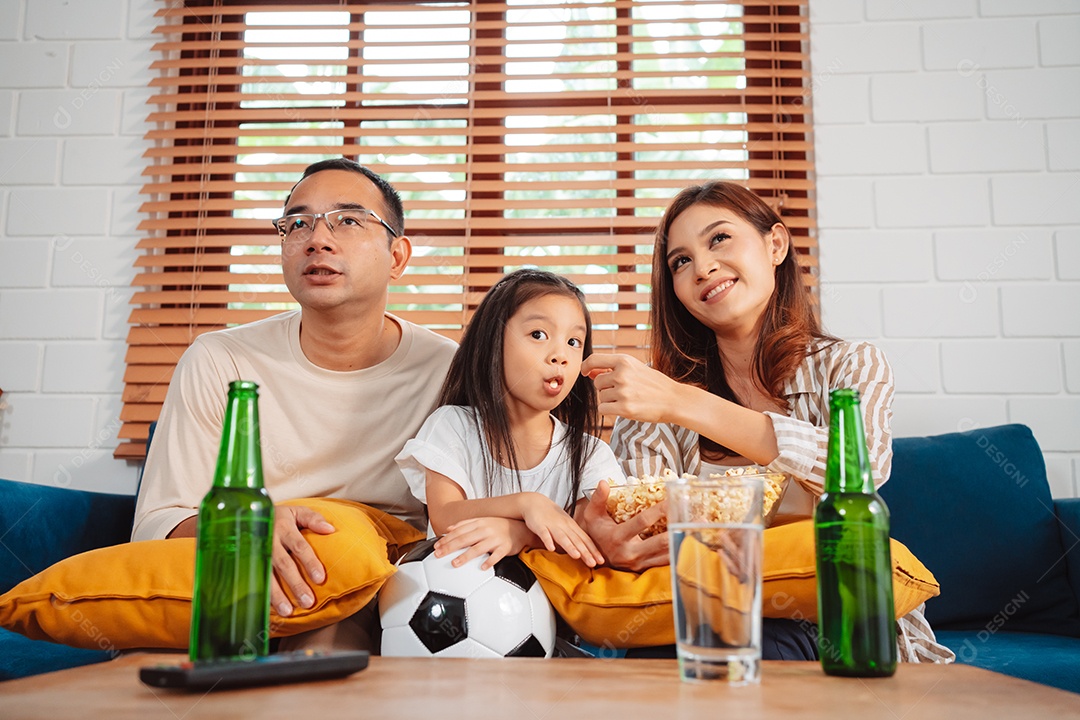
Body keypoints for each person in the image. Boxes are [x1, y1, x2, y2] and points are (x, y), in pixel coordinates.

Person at [578, 180, 954, 663]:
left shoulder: (853, 366)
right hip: (695, 613)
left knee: (758, 646)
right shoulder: (653, 403)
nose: (703, 267)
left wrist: (682, 402)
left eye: (719, 239)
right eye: (681, 261)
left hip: (829, 622)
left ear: (775, 244)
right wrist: (612, 540)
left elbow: (857, 474)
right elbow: (640, 527)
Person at [132, 158, 458, 625]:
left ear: (397, 257)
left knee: (334, 627)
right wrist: (248, 529)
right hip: (239, 580)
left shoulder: (450, 369)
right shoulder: (220, 359)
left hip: (380, 594)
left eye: (348, 221)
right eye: (297, 224)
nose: (317, 239)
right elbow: (155, 524)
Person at [395, 269, 622, 571]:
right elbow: (445, 515)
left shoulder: (591, 454)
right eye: (538, 335)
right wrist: (527, 504)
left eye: (573, 342)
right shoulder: (452, 425)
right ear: (493, 342)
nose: (560, 355)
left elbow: (587, 540)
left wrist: (520, 533)